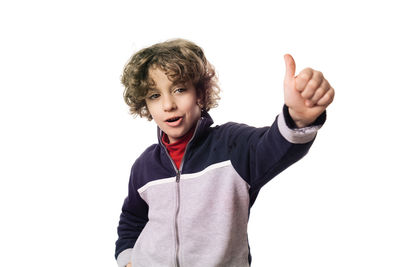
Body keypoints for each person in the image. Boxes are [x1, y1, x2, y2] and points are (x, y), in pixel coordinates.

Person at [115, 38, 334, 267]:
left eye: (179, 89)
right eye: (154, 95)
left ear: (199, 93)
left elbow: (275, 146)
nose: (168, 104)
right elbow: (132, 218)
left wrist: (298, 117)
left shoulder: (231, 146)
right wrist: (128, 260)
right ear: (145, 104)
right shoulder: (144, 165)